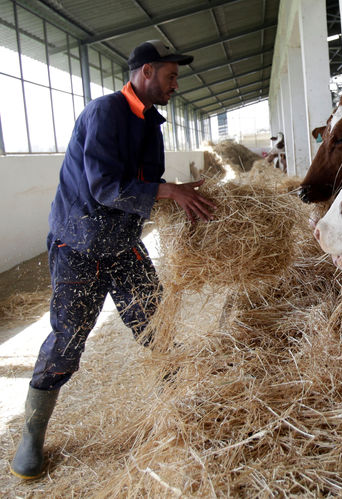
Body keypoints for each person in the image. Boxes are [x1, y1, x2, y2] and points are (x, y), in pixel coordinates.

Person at [10, 40, 216, 480]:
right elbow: (105, 187)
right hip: (78, 246)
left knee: (157, 325)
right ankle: (32, 434)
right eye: (170, 76)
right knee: (67, 343)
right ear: (145, 72)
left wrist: (178, 190)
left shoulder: (150, 124)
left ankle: (179, 413)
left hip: (123, 246)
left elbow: (145, 182)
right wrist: (167, 191)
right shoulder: (104, 113)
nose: (175, 85)